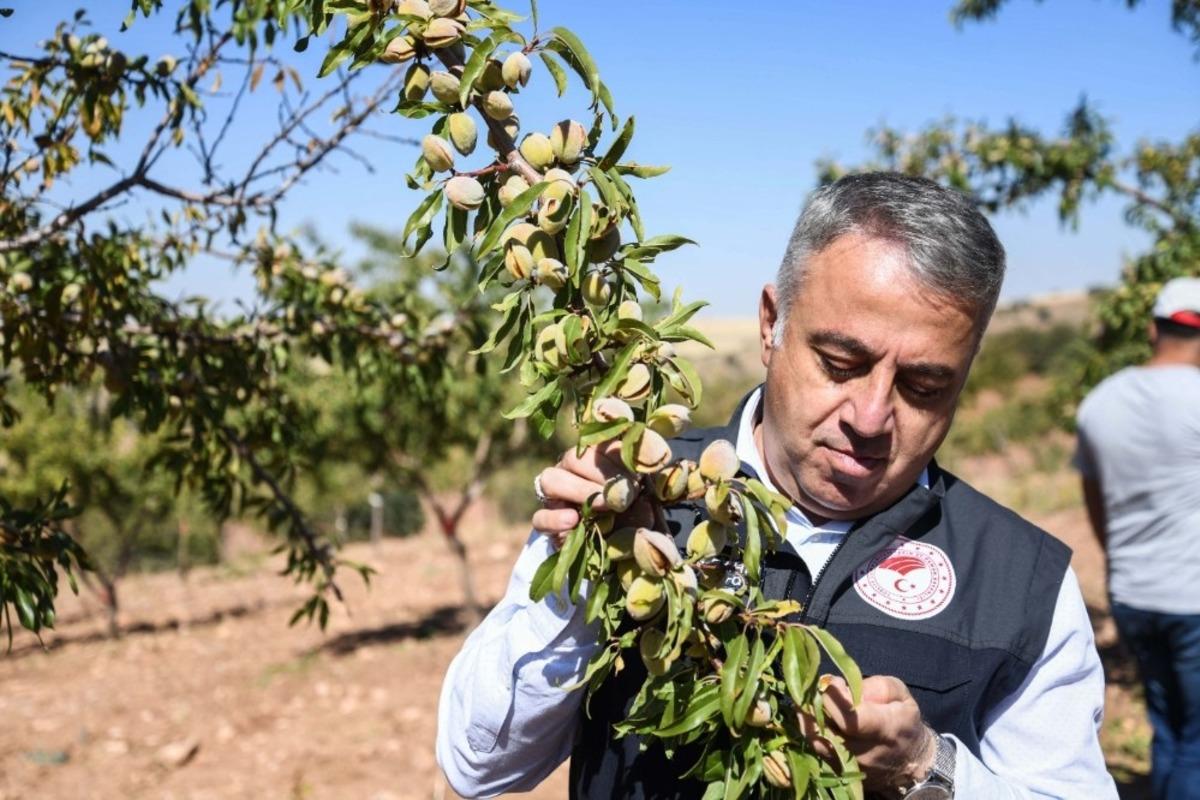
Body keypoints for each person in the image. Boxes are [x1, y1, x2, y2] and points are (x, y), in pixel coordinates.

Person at [437, 173, 1117, 798]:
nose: (870, 417)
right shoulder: (637, 494)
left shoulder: (1019, 580)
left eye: (923, 386)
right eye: (840, 362)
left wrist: (926, 768)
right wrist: (589, 575)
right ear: (771, 324)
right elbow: (478, 765)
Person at [1074, 277, 1200, 800]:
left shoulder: (1100, 402)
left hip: (1132, 593)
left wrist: (1119, 558)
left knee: (1168, 726)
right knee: (1195, 741)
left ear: (1152, 330)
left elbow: (1095, 500)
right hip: (1193, 597)